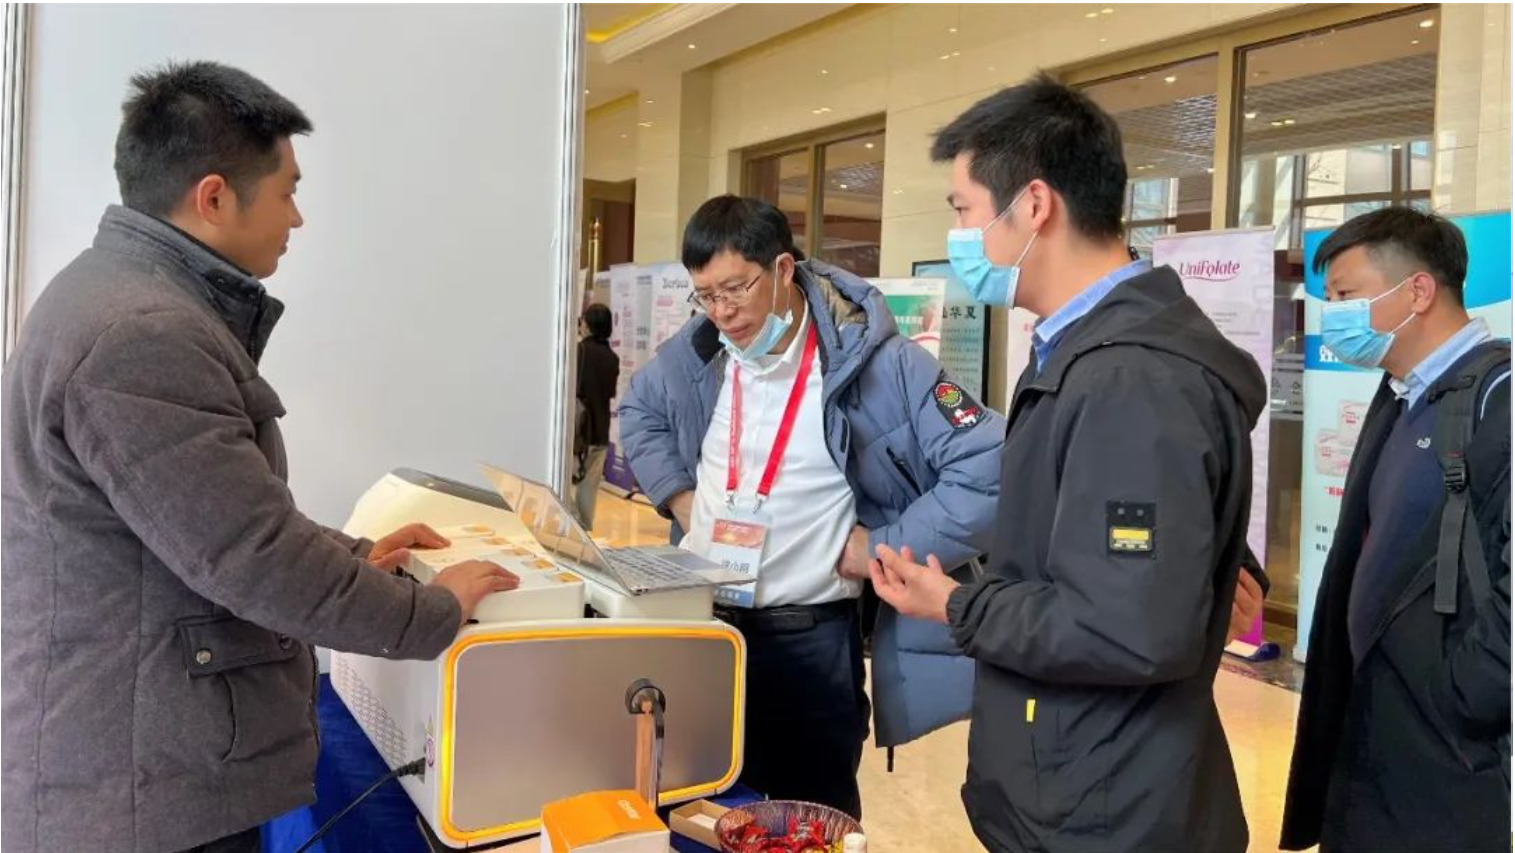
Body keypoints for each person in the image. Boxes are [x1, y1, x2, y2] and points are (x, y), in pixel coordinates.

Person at [1, 61, 518, 853]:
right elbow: (252, 554)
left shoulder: (114, 296)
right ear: (213, 198)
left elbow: (212, 512)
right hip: (135, 787)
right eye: (287, 191)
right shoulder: (143, 333)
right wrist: (433, 611)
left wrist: (355, 556)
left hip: (126, 757)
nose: (298, 218)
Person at [868, 74, 1266, 852]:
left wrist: (956, 604)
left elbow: (1125, 628)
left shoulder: (1130, 378)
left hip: (1107, 803)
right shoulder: (1085, 355)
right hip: (1076, 769)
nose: (958, 235)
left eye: (964, 210)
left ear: (1034, 205)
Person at [618, 195, 1006, 818]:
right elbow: (639, 411)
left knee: (810, 820)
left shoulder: (880, 364)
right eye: (705, 295)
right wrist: (681, 499)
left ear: (783, 269)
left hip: (809, 641)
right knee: (701, 814)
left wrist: (882, 546)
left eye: (735, 289)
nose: (722, 312)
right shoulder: (702, 352)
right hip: (707, 630)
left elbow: (991, 467)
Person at [1280, 208, 1511, 852]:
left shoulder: (1499, 398)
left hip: (1448, 755)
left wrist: (1463, 695)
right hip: (1375, 733)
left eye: (1346, 295)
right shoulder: (1404, 394)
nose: (1333, 317)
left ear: (1418, 291)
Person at [573, 302, 620, 529]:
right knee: (589, 486)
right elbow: (609, 392)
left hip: (577, 430)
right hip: (600, 430)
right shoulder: (612, 357)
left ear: (588, 324)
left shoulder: (578, 351)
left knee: (563, 482)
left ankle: (568, 529)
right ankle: (584, 531)